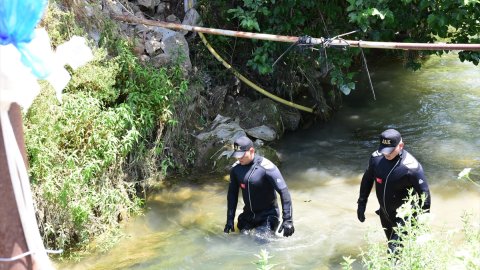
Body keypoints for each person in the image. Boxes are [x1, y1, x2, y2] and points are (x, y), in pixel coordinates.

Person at [356, 129, 431, 251]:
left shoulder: (411, 168)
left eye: (390, 150)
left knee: (393, 250)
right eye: (384, 150)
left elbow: (425, 196)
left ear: (401, 146)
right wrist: (362, 203)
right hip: (385, 214)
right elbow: (367, 179)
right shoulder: (376, 158)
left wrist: (423, 222)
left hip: (405, 216)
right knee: (391, 244)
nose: (386, 154)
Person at [224, 136, 294, 237]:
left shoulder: (266, 167)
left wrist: (288, 220)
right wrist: (229, 220)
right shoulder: (236, 169)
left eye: (242, 155)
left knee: (260, 242)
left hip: (268, 216)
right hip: (248, 216)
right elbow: (232, 194)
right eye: (237, 155)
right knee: (242, 240)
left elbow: (284, 191)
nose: (239, 158)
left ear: (251, 151)